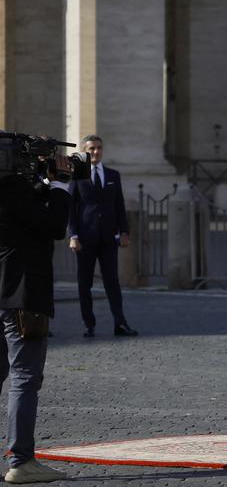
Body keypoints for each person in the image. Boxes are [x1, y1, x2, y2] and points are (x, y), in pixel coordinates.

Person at [0, 149, 73, 483]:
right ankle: (22, 460)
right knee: (25, 377)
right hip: (21, 297)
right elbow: (53, 226)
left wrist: (42, 183)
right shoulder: (11, 187)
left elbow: (26, 218)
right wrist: (60, 186)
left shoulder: (14, 190)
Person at [68, 135, 138, 338]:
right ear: (84, 152)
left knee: (112, 283)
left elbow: (119, 205)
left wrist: (124, 231)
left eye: (98, 148)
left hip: (108, 238)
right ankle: (88, 324)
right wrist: (73, 235)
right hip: (85, 238)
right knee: (85, 283)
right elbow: (71, 208)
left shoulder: (113, 175)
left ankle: (120, 323)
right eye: (91, 149)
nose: (95, 152)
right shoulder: (78, 176)